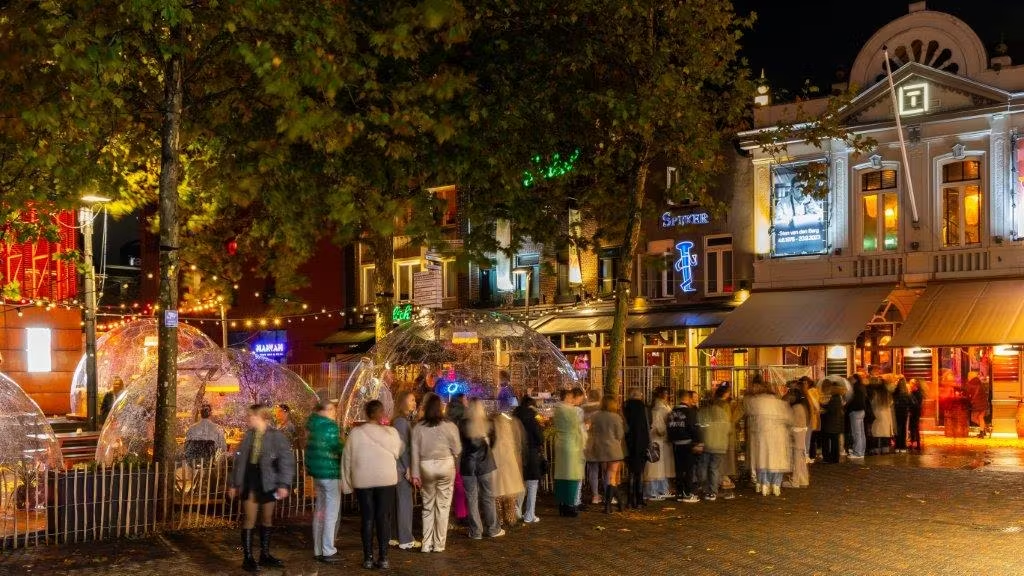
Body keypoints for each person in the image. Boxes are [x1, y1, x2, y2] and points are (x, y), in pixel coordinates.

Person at [228, 405, 295, 573]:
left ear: (262, 418)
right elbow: (239, 461)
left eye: (252, 416)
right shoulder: (248, 436)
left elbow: (286, 460)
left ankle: (264, 554)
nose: (249, 419)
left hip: (268, 481)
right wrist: (234, 484)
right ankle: (248, 558)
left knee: (267, 518)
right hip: (250, 480)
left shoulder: (276, 436)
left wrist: (283, 484)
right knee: (249, 518)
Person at [341, 400, 403, 570]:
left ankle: (367, 557)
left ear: (366, 413)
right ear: (381, 413)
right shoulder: (391, 433)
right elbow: (398, 452)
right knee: (383, 517)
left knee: (367, 518)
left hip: (363, 479)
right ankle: (383, 557)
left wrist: (347, 482)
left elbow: (347, 458)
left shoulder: (356, 434)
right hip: (385, 479)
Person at [411, 394, 461, 553]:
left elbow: (414, 452)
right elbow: (457, 449)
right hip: (445, 465)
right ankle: (439, 544)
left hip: (426, 466)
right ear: (441, 408)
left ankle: (426, 543)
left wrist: (415, 474)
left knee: (427, 506)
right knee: (443, 506)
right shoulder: (449, 426)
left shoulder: (418, 427)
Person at [459, 399, 505, 539]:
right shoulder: (489, 422)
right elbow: (494, 442)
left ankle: (476, 531)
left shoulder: (462, 424)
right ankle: (493, 529)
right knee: (488, 497)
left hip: (468, 465)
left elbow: (460, 443)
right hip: (485, 463)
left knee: (471, 499)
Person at [305, 396, 343, 564]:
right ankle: (328, 550)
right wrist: (345, 447)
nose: (335, 413)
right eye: (333, 409)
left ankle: (318, 549)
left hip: (317, 474)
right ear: (326, 410)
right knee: (331, 513)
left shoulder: (312, 426)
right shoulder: (329, 426)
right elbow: (337, 447)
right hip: (330, 472)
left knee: (320, 512)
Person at [746, 383, 792, 497]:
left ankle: (763, 484)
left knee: (763, 460)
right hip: (778, 438)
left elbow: (750, 416)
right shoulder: (780, 404)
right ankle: (776, 485)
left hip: (762, 437)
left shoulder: (756, 402)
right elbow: (789, 419)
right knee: (777, 462)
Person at [391, 391, 420, 550]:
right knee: (405, 503)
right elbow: (402, 448)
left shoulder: (400, 421)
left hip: (399, 468)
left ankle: (396, 536)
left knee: (399, 503)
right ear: (403, 402)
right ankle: (406, 538)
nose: (415, 403)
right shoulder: (401, 422)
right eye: (412, 400)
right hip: (402, 469)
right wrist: (408, 467)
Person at [588, 395, 626, 514]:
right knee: (611, 477)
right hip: (613, 450)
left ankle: (619, 503)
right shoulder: (616, 417)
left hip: (600, 449)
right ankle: (609, 505)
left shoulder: (595, 416)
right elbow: (619, 434)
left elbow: (590, 430)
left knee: (608, 476)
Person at [553, 388, 585, 517]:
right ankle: (569, 505)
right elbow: (578, 429)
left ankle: (562, 504)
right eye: (571, 397)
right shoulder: (571, 411)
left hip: (560, 444)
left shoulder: (557, 410)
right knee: (571, 476)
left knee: (561, 476)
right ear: (568, 397)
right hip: (572, 446)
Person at [513, 395, 544, 523]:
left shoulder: (514, 418)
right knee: (532, 484)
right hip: (531, 453)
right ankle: (530, 514)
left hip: (517, 453)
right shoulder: (532, 419)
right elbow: (539, 438)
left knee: (521, 483)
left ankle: (517, 510)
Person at [696, 389, 731, 501]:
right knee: (714, 468)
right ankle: (713, 492)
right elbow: (728, 429)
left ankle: (705, 488)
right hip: (720, 445)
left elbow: (698, 428)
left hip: (706, 444)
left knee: (703, 466)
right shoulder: (723, 413)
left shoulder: (702, 413)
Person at [492, 409, 525, 525]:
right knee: (510, 492)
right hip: (509, 461)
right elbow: (516, 446)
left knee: (498, 491)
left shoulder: (494, 431)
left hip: (496, 462)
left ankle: (500, 518)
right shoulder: (510, 427)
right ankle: (510, 518)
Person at [666, 390, 700, 503]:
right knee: (689, 469)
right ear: (687, 398)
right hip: (687, 443)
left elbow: (669, 427)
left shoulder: (672, 412)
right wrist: (697, 442)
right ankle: (688, 493)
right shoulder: (689, 412)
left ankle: (680, 493)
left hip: (676, 444)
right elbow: (693, 428)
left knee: (679, 470)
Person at [622, 388, 650, 509]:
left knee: (631, 472)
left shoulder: (625, 407)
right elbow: (649, 425)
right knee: (640, 472)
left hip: (628, 443)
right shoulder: (644, 408)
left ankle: (629, 500)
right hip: (642, 443)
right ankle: (639, 499)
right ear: (639, 396)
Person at [644, 387, 673, 500]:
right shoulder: (659, 408)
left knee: (659, 466)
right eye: (665, 393)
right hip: (658, 440)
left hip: (660, 439)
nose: (667, 395)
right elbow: (658, 426)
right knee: (656, 466)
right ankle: (653, 490)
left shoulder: (660, 407)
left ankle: (661, 489)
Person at [447, 393, 470, 526]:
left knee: (455, 481)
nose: (467, 400)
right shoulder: (464, 413)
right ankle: (462, 514)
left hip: (450, 452)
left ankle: (457, 512)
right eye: (465, 398)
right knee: (461, 483)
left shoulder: (448, 412)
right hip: (461, 451)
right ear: (461, 400)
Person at [581, 388, 603, 505]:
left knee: (592, 469)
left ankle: (595, 495)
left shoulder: (582, 410)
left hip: (588, 442)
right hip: (602, 442)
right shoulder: (602, 409)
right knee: (606, 470)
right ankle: (608, 494)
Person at [784, 388, 810, 488]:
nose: (789, 397)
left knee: (797, 458)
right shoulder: (801, 406)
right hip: (800, 434)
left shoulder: (796, 407)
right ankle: (803, 479)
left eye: (791, 395)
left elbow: (791, 421)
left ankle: (795, 481)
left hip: (796, 434)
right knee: (800, 458)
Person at [821, 384, 845, 464]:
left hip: (832, 423)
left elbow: (830, 409)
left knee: (830, 441)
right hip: (836, 423)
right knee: (835, 441)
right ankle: (834, 458)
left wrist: (822, 405)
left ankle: (831, 458)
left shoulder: (835, 399)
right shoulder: (838, 398)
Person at [847, 375, 868, 460]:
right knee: (861, 432)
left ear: (855, 379)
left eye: (852, 379)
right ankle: (861, 451)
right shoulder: (862, 387)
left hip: (855, 411)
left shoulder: (855, 388)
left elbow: (854, 401)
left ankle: (857, 452)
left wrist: (849, 409)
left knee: (856, 433)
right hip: (862, 411)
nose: (850, 380)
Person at [870, 381, 894, 454]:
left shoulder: (875, 395)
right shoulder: (888, 395)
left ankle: (876, 450)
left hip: (877, 414)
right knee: (885, 434)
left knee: (876, 434)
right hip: (887, 415)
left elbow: (872, 403)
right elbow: (891, 403)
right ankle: (885, 449)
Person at [802, 377, 821, 462]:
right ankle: (811, 455)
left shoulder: (809, 392)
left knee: (808, 437)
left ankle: (809, 455)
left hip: (810, 416)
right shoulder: (815, 391)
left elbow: (813, 404)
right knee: (811, 437)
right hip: (813, 416)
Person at [892, 378, 913, 453]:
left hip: (897, 412)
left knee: (898, 428)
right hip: (904, 412)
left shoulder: (895, 392)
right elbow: (911, 403)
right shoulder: (907, 393)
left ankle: (897, 446)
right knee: (904, 429)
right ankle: (903, 446)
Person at [966, 372, 990, 438]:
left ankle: (985, 429)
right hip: (984, 403)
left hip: (976, 404)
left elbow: (967, 393)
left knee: (973, 418)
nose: (967, 377)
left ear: (970, 377)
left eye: (968, 376)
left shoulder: (970, 384)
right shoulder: (979, 382)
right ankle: (982, 432)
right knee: (980, 417)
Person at [909, 379, 925, 451]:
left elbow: (917, 404)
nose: (910, 386)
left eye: (911, 384)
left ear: (914, 385)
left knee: (915, 428)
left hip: (915, 413)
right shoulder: (913, 393)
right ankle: (913, 443)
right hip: (913, 412)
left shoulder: (917, 394)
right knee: (912, 428)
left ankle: (917, 444)